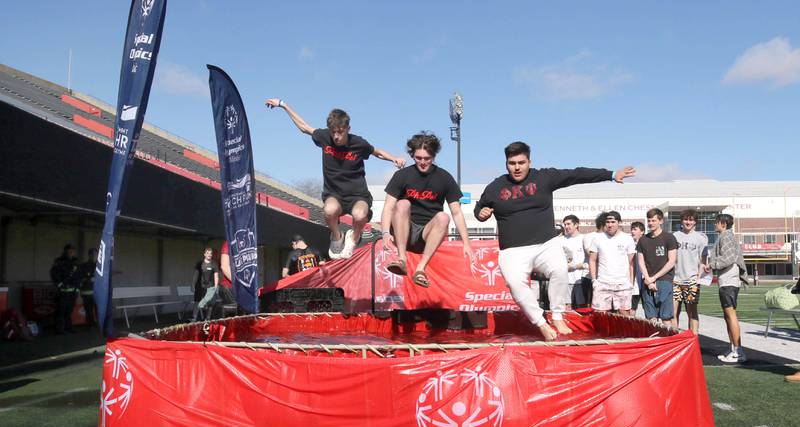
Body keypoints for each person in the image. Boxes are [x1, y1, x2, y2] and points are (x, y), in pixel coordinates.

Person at [474, 141, 635, 340]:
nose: (517, 167)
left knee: (560, 269)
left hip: (545, 244)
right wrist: (481, 214)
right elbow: (479, 209)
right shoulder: (495, 187)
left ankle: (557, 315)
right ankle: (541, 323)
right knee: (515, 284)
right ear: (506, 164)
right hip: (513, 249)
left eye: (521, 162)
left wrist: (610, 175)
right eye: (512, 163)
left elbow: (576, 174)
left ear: (529, 162)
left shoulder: (543, 177)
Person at [264, 99, 405, 259]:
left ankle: (353, 237)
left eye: (340, 132)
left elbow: (376, 152)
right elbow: (304, 127)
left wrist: (394, 158)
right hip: (334, 194)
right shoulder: (325, 137)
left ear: (348, 129)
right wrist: (283, 105)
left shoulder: (358, 143)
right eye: (333, 132)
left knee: (359, 215)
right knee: (329, 211)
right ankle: (337, 237)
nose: (336, 136)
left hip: (357, 195)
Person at [381, 132, 474, 287]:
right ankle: (401, 259)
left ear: (434, 156)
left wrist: (467, 243)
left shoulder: (444, 178)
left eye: (427, 158)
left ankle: (421, 269)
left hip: (426, 236)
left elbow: (456, 213)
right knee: (403, 204)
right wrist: (385, 233)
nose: (423, 162)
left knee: (443, 217)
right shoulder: (402, 175)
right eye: (418, 158)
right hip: (404, 231)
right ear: (412, 156)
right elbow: (388, 207)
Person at [707, 213, 748, 363]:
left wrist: (711, 265)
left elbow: (728, 258)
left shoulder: (726, 237)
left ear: (723, 224)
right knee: (727, 315)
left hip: (729, 280)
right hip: (726, 280)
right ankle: (733, 347)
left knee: (731, 315)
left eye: (716, 222)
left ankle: (738, 351)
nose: (714, 225)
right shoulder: (724, 236)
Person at [589, 211, 637, 315]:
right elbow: (592, 260)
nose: (610, 225)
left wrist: (631, 283)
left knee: (625, 316)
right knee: (600, 316)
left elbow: (631, 264)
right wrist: (594, 281)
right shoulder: (597, 238)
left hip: (622, 284)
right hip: (602, 283)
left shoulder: (627, 239)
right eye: (608, 222)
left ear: (619, 222)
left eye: (613, 222)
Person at [637, 208, 679, 326]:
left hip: (664, 280)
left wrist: (654, 278)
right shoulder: (643, 240)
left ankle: (668, 342)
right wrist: (648, 280)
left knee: (666, 317)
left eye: (654, 220)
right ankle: (654, 342)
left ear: (660, 221)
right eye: (649, 220)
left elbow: (671, 262)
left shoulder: (669, 237)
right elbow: (641, 262)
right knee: (651, 318)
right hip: (647, 282)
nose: (651, 223)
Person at [673, 209, 708, 334]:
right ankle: (675, 339)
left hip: (691, 280)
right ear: (681, 221)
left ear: (695, 222)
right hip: (675, 280)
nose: (688, 222)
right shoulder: (674, 236)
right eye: (686, 219)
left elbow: (702, 260)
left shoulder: (701, 238)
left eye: (691, 220)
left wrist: (698, 277)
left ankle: (693, 339)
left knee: (691, 311)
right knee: (673, 312)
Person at [50, 244, 80, 334]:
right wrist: (60, 284)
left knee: (69, 311)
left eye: (73, 251)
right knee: (61, 311)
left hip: (72, 292)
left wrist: (77, 288)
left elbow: (79, 275)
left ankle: (69, 327)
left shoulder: (76, 262)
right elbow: (54, 273)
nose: (72, 253)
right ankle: (60, 329)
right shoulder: (59, 261)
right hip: (62, 292)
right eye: (70, 251)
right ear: (65, 251)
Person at [561, 215, 590, 309]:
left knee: (581, 307)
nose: (566, 226)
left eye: (568, 224)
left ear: (576, 224)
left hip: (580, 280)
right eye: (565, 224)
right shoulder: (561, 240)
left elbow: (590, 259)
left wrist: (578, 266)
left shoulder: (585, 238)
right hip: (566, 280)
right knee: (567, 307)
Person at [192, 247, 219, 322]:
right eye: (207, 253)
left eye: (211, 253)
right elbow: (196, 275)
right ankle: (194, 318)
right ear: (204, 254)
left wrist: (216, 287)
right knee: (197, 301)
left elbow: (216, 276)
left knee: (210, 303)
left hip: (210, 287)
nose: (209, 255)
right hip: (199, 287)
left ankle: (207, 318)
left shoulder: (214, 264)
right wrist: (193, 284)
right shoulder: (199, 263)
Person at [629, 221, 646, 312]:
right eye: (632, 229)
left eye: (635, 229)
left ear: (642, 231)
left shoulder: (647, 244)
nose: (632, 231)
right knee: (631, 309)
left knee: (649, 309)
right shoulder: (629, 245)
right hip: (634, 281)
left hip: (645, 281)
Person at [79, 248, 97, 329]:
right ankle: (90, 325)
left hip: (97, 292)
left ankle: (97, 325)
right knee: (89, 310)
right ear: (89, 255)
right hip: (87, 292)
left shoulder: (99, 266)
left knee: (98, 310)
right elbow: (80, 277)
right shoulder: (84, 266)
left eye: (95, 254)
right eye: (92, 254)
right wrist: (89, 279)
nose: (94, 256)